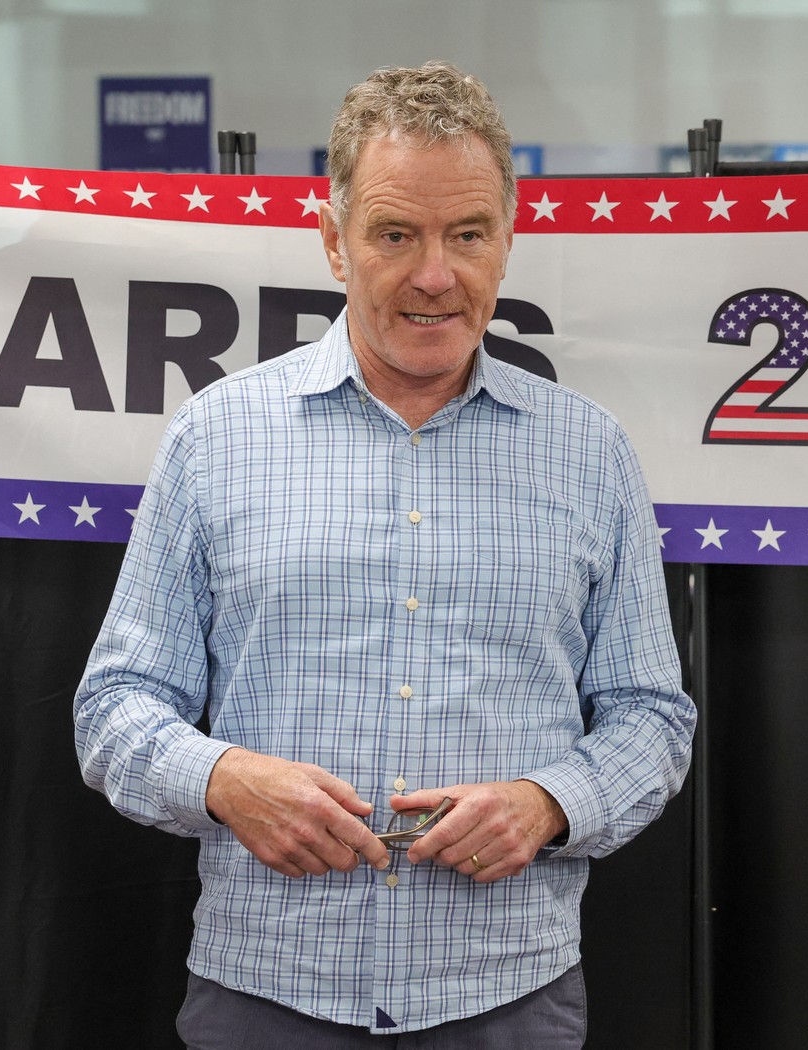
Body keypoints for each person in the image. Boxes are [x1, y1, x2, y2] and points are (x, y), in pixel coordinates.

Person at [73, 60, 695, 1048]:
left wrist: (548, 803)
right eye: (396, 234)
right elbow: (114, 708)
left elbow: (651, 719)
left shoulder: (590, 455)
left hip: (506, 1001)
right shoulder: (216, 438)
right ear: (333, 240)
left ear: (507, 240)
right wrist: (222, 778)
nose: (435, 274)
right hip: (266, 996)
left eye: (468, 234)